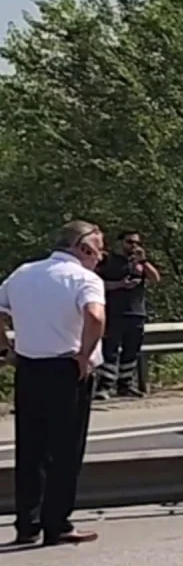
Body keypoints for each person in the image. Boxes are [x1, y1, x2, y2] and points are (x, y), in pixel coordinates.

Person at [0, 222, 108, 546]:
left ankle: (27, 523)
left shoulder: (22, 273)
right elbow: (95, 316)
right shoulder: (85, 279)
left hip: (30, 368)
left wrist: (6, 348)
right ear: (84, 248)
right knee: (65, 449)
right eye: (99, 250)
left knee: (31, 448)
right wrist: (84, 355)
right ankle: (57, 522)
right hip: (67, 369)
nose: (100, 258)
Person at [95, 230, 160, 399]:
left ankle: (125, 385)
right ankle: (104, 386)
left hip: (136, 313)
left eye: (137, 243)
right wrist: (119, 284)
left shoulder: (139, 263)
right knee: (110, 350)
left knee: (131, 351)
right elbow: (95, 284)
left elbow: (155, 279)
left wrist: (143, 261)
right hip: (114, 313)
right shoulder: (107, 261)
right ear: (120, 243)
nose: (134, 246)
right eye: (130, 242)